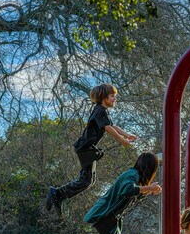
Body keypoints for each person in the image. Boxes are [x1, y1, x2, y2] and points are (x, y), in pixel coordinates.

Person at [46, 83, 137, 216]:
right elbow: (108, 128)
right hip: (85, 148)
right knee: (86, 180)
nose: (115, 99)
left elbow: (113, 126)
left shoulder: (102, 111)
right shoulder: (100, 110)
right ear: (103, 97)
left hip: (88, 148)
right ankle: (57, 193)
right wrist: (122, 140)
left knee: (89, 181)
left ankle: (59, 195)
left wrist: (127, 135)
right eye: (112, 96)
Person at [63, 152, 161, 234]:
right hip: (105, 218)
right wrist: (149, 188)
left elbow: (131, 194)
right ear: (151, 168)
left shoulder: (131, 175)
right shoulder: (132, 175)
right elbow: (128, 190)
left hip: (109, 219)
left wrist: (148, 190)